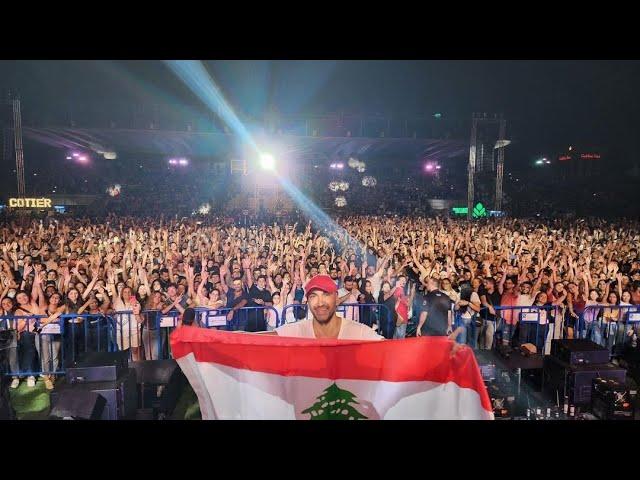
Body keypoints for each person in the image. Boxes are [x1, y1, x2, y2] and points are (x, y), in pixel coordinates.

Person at [276, 275, 383, 340]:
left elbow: (391, 351)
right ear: (307, 301)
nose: (320, 302)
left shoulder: (360, 333)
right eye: (313, 296)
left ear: (336, 298)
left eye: (326, 294)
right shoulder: (296, 331)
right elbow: (262, 340)